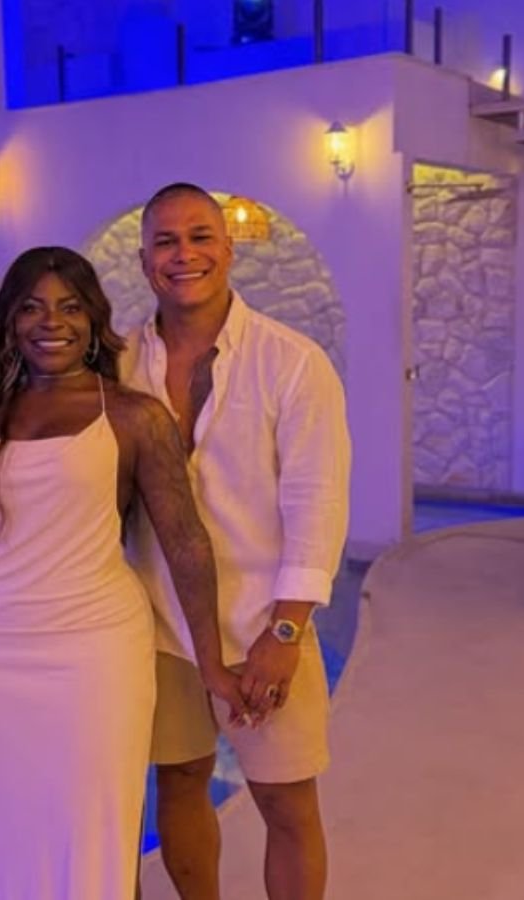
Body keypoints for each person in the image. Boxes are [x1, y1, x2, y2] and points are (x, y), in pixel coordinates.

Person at [0, 246, 246, 900]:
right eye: (31, 307)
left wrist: (213, 666)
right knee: (8, 836)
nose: (50, 322)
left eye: (69, 307)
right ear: (9, 321)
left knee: (94, 836)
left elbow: (185, 544)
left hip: (91, 656)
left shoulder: (132, 416)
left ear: (93, 320)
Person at [125, 183, 351, 900]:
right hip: (161, 626)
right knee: (180, 783)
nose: (183, 254)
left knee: (285, 803)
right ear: (144, 261)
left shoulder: (292, 362)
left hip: (266, 625)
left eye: (200, 237)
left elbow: (317, 503)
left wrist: (286, 632)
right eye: (165, 242)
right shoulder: (118, 364)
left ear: (228, 249)